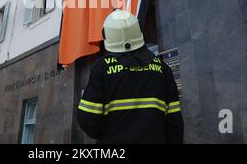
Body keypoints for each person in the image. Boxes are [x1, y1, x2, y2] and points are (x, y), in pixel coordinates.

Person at [77, 10, 184, 144]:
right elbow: (175, 123)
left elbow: (87, 119)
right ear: (138, 31)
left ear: (107, 35)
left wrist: (108, 134)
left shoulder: (102, 68)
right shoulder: (163, 69)